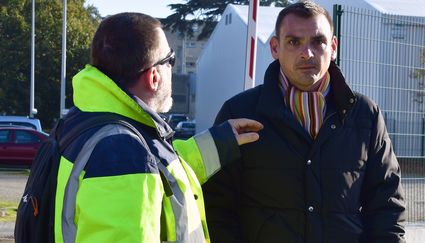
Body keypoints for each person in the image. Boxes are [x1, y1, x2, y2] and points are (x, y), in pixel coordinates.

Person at [202, 1, 406, 242]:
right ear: (275, 48)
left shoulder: (364, 115)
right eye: (294, 42)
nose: (307, 53)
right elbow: (216, 208)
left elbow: (387, 206)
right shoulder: (239, 112)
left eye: (318, 41)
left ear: (333, 46)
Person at [55, 13, 263, 243]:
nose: (171, 68)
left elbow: (158, 168)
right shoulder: (123, 152)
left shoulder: (88, 124)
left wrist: (218, 143)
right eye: (170, 60)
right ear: (154, 76)